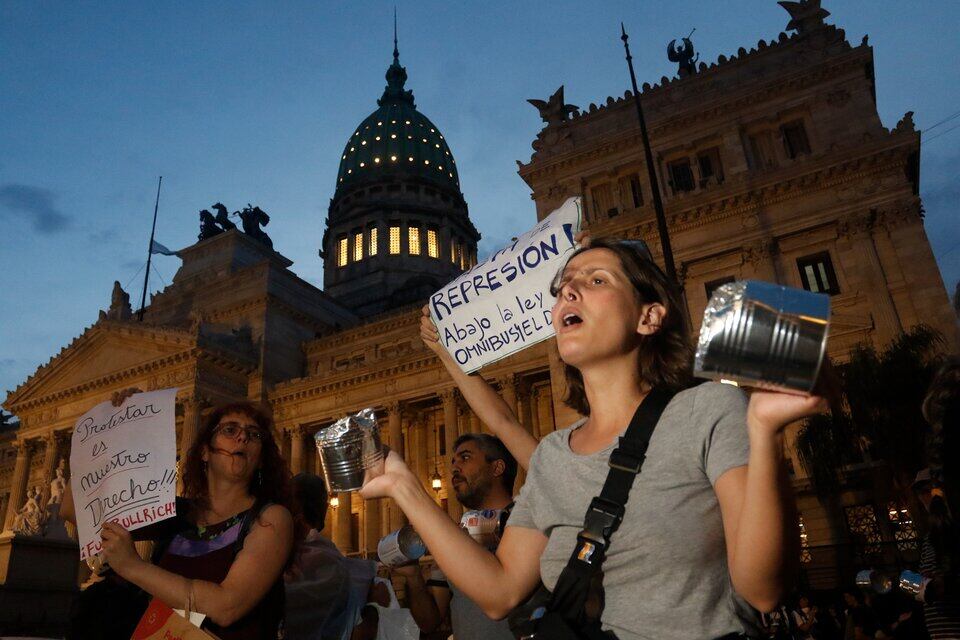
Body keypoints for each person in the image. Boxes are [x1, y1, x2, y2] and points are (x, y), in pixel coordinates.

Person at [363, 237, 828, 639]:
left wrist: (764, 432)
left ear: (649, 317)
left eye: (596, 280)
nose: (569, 289)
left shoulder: (706, 409)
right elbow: (499, 591)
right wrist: (404, 485)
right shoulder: (550, 456)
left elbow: (763, 591)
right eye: (565, 284)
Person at [63, 391, 296, 640]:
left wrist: (132, 566)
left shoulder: (271, 519)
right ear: (205, 452)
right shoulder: (178, 514)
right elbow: (74, 508)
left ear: (260, 460)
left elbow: (226, 606)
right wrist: (117, 431)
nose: (242, 437)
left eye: (253, 434)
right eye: (229, 430)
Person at [394, 433, 517, 640]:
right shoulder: (457, 536)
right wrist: (413, 577)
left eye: (465, 458)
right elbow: (429, 622)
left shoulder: (527, 526)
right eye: (453, 461)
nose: (454, 467)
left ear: (497, 468)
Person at [285, 473, 377, 640]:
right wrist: (374, 610)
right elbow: (359, 633)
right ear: (325, 508)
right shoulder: (346, 569)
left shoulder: (274, 557)